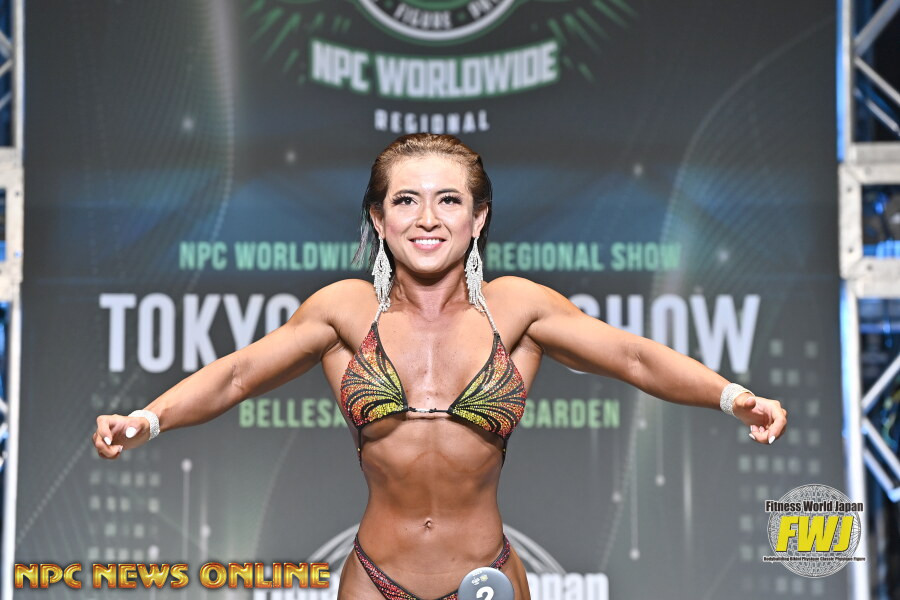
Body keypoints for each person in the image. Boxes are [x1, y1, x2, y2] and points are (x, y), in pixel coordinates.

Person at [91, 133, 788, 599]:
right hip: (375, 579)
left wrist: (733, 397)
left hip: (486, 580)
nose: (428, 218)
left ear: (478, 218)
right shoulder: (343, 311)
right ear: (379, 218)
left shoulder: (517, 310)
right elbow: (238, 374)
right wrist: (147, 420)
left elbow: (634, 357)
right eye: (406, 200)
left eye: (448, 199)